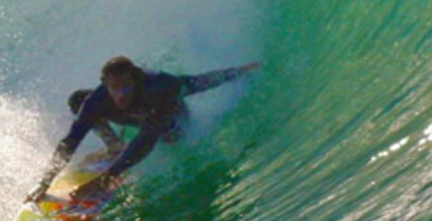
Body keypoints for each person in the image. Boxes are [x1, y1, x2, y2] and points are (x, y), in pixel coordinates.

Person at [28, 56, 261, 201]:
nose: (121, 94)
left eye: (126, 86)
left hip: (171, 123)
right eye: (114, 87)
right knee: (78, 101)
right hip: (137, 118)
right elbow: (70, 141)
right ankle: (114, 146)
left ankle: (119, 161)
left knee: (157, 128)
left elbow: (197, 82)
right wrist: (45, 182)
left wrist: (236, 72)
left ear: (136, 80)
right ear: (105, 84)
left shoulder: (160, 84)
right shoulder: (98, 98)